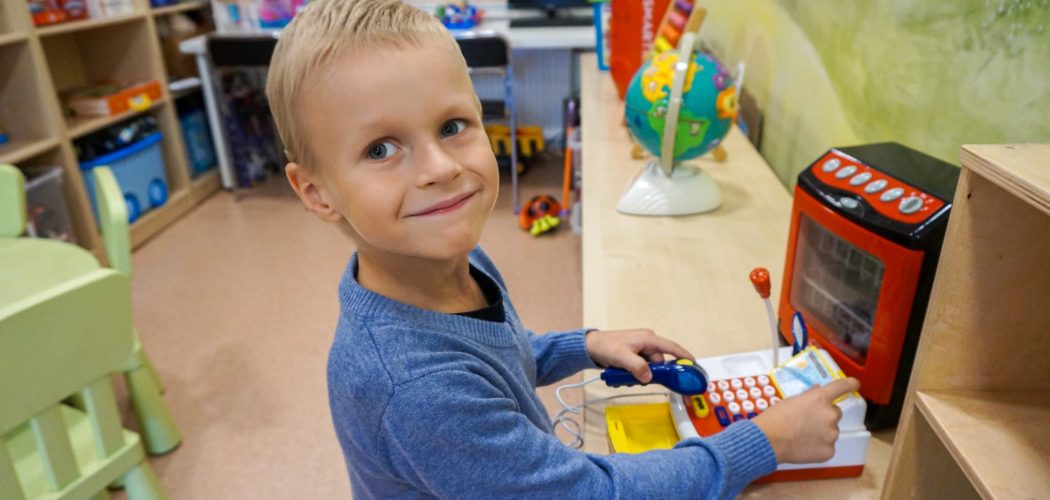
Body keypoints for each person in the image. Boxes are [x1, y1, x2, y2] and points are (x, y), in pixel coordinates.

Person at [265, 0, 860, 497]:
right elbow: (587, 493)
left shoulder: (450, 257)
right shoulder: (414, 389)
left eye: (451, 126)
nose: (441, 168)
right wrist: (763, 443)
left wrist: (584, 346)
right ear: (316, 193)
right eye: (380, 149)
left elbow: (494, 355)